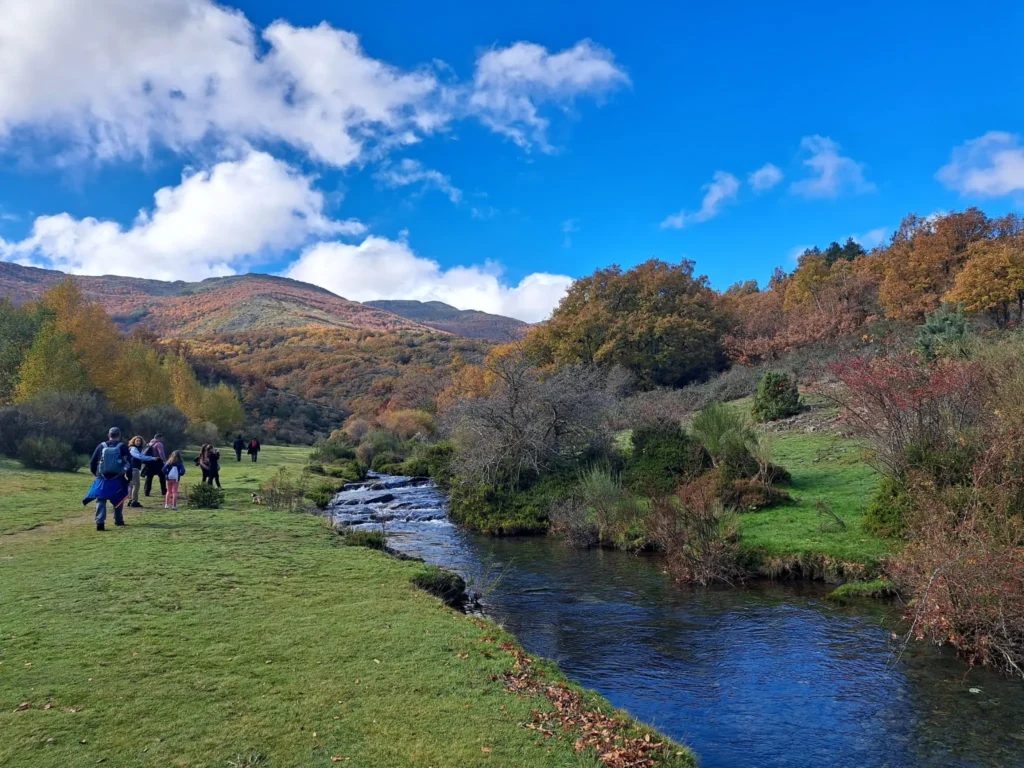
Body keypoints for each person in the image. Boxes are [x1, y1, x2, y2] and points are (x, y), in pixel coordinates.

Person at [83, 427, 132, 531]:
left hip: (102, 478)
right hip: (118, 477)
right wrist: (129, 477)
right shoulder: (122, 447)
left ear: (108, 435)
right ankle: (118, 520)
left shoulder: (101, 446)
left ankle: (100, 522)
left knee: (101, 499)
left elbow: (92, 462)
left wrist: (96, 474)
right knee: (118, 499)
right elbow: (128, 463)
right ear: (119, 435)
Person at [127, 435, 160, 508]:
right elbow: (140, 456)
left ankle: (130, 500)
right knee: (136, 485)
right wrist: (152, 458)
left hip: (132, 469)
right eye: (137, 441)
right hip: (134, 469)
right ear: (134, 441)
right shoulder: (133, 449)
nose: (138, 442)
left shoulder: (135, 448)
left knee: (132, 485)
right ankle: (134, 501)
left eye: (139, 441)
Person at [143, 433, 167, 498]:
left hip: (149, 462)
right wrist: (164, 461)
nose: (162, 439)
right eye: (162, 438)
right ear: (159, 438)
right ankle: (164, 491)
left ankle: (146, 491)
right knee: (162, 476)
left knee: (149, 478)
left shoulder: (149, 443)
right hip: (157, 462)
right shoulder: (159, 444)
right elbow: (161, 453)